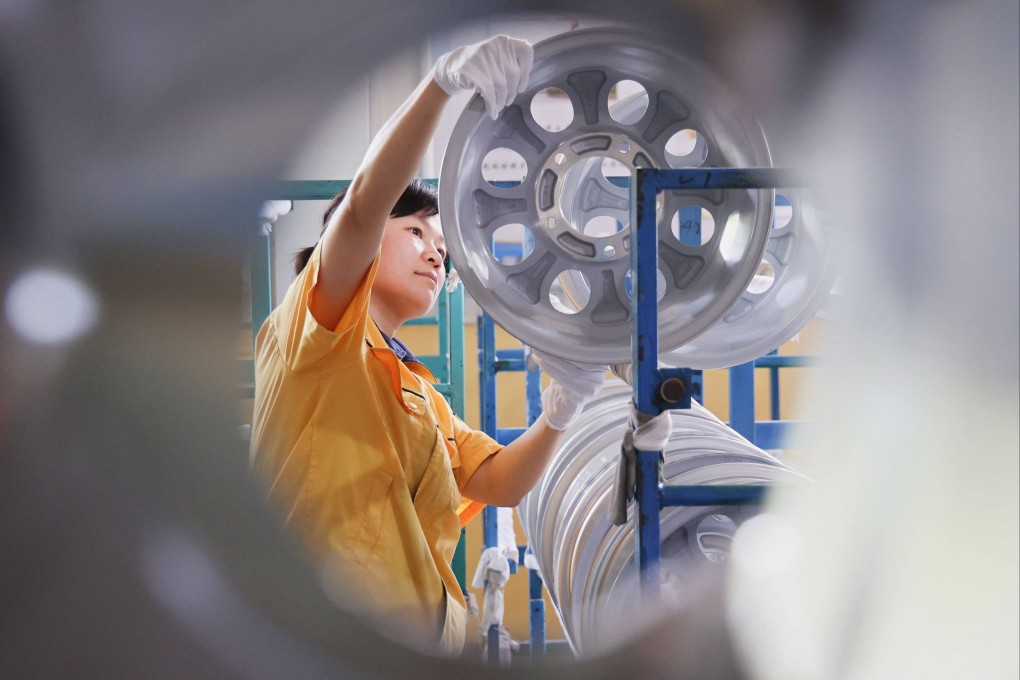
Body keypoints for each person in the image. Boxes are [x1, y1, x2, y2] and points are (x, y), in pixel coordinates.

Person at [249, 35, 608, 656]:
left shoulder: (416, 390)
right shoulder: (316, 332)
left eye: (441, 248)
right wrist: (440, 85)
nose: (437, 254)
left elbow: (499, 482)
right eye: (416, 231)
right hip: (325, 642)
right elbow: (364, 206)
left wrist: (561, 411)